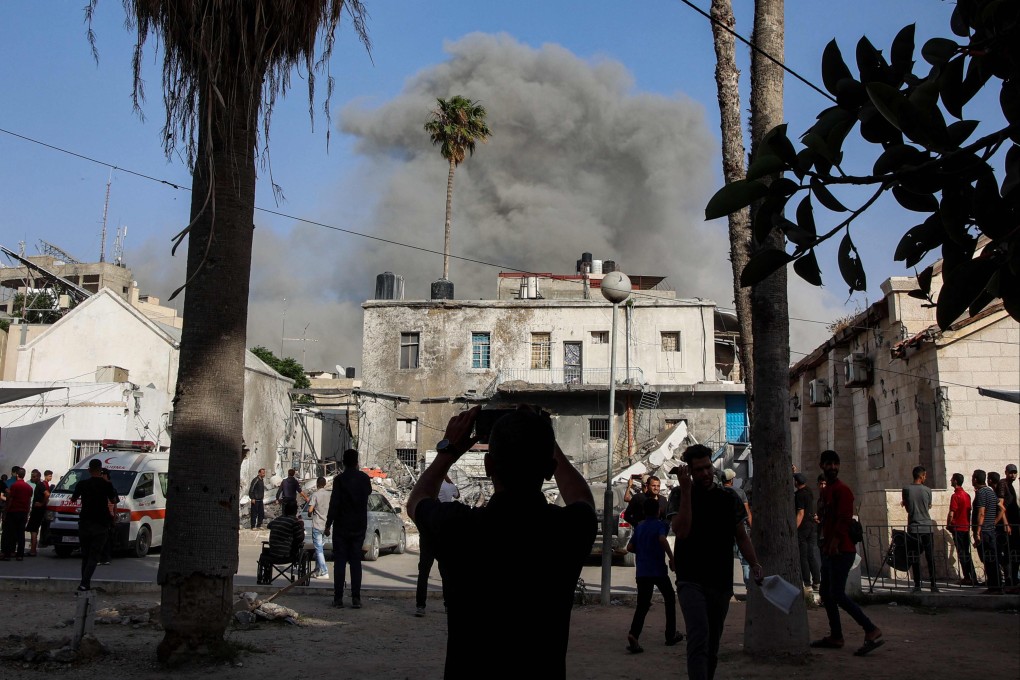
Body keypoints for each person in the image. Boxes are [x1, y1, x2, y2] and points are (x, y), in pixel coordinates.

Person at [408, 406, 596, 680]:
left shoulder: (459, 528)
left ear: (488, 466)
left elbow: (416, 502)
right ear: (549, 470)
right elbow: (583, 499)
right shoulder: (567, 530)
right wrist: (548, 441)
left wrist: (448, 451)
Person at [666, 445, 763, 680]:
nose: (706, 473)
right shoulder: (679, 495)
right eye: (698, 470)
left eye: (708, 467)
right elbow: (682, 531)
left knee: (712, 644)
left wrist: (756, 564)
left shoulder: (728, 497)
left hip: (720, 581)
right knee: (698, 637)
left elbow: (741, 536)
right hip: (690, 579)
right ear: (690, 471)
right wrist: (687, 491)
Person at [812, 450, 882, 655]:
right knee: (826, 592)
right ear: (822, 466)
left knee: (837, 594)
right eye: (828, 464)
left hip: (841, 550)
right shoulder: (826, 491)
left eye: (835, 464)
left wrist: (834, 542)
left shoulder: (843, 490)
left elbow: (844, 519)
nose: (832, 467)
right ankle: (836, 636)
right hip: (829, 550)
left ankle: (870, 629)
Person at [626, 496, 682, 653]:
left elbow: (630, 547)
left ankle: (634, 634)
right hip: (657, 571)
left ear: (644, 512)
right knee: (670, 598)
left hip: (642, 572)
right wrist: (672, 558)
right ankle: (670, 635)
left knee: (642, 605)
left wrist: (642, 549)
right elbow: (662, 539)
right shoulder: (660, 525)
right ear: (658, 511)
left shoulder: (640, 526)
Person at [325, 449, 371, 609]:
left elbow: (334, 503)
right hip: (358, 526)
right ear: (357, 461)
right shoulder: (364, 479)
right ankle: (356, 598)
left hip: (341, 526)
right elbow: (368, 493)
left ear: (343, 462)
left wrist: (328, 524)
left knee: (340, 562)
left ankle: (338, 598)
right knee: (356, 562)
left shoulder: (339, 480)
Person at [69, 459, 119, 590]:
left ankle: (84, 583)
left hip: (85, 522)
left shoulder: (82, 484)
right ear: (101, 469)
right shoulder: (107, 485)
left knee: (85, 555)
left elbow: (73, 499)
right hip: (101, 523)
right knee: (94, 555)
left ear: (89, 470)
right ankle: (84, 583)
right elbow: (113, 500)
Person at [416, 474, 459, 617]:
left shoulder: (426, 489)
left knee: (423, 572)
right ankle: (448, 605)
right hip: (443, 533)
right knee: (446, 573)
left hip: (427, 534)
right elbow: (458, 495)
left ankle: (420, 606)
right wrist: (448, 479)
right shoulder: (449, 487)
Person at [902, 465, 938, 593]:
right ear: (922, 476)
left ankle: (917, 585)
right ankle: (933, 584)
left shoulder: (906, 489)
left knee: (914, 556)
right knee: (930, 557)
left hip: (914, 527)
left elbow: (907, 508)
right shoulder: (928, 490)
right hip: (927, 527)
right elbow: (928, 506)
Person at [721, 468, 752, 591]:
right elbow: (747, 512)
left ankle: (725, 589)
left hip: (723, 531)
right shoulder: (740, 492)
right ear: (732, 480)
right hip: (740, 530)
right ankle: (749, 587)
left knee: (723, 560)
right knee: (745, 560)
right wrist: (751, 527)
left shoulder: (717, 492)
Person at [973, 469, 1003, 593]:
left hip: (984, 531)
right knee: (992, 559)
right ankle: (996, 585)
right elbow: (1002, 509)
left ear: (975, 479)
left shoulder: (981, 493)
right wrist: (994, 522)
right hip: (990, 530)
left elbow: (981, 513)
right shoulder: (990, 492)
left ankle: (994, 587)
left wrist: (977, 532)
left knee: (988, 559)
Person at [946, 472, 978, 586]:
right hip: (965, 527)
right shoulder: (967, 495)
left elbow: (951, 513)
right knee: (966, 553)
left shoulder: (956, 496)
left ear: (955, 481)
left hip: (958, 527)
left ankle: (967, 577)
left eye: (952, 479)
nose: (950, 481)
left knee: (962, 553)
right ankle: (972, 576)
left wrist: (948, 524)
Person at [260, 500, 305, 578]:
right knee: (300, 545)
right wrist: (301, 526)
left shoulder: (277, 520)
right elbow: (300, 538)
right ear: (295, 511)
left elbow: (269, 526)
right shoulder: (294, 522)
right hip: (286, 555)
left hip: (272, 553)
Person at [794, 472, 821, 591]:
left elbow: (800, 513)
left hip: (803, 528)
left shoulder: (799, 495)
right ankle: (817, 581)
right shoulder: (809, 491)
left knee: (803, 556)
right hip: (811, 526)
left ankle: (807, 583)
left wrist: (794, 529)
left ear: (796, 483)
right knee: (811, 555)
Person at [0, 468, 33, 561]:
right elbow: (29, 501)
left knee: (9, 533)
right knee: (21, 534)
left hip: (13, 511)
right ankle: (20, 555)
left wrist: (6, 511)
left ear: (17, 475)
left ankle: (7, 554)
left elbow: (10, 499)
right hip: (23, 512)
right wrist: (27, 512)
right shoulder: (28, 487)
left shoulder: (14, 486)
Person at [307, 476, 331, 580]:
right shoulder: (329, 495)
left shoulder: (315, 495)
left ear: (317, 484)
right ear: (325, 484)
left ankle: (324, 571)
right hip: (326, 526)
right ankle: (318, 571)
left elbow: (310, 510)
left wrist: (309, 513)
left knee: (319, 550)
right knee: (319, 549)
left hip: (317, 525)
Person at [1001, 464, 1020, 592]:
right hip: (1009, 527)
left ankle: (1013, 579)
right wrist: (1006, 523)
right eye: (1010, 472)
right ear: (1006, 472)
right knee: (1009, 554)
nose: (1013, 475)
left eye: (1015, 472)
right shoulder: (1003, 484)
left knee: (1015, 554)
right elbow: (1001, 505)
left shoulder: (1011, 486)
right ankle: (1010, 579)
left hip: (1015, 525)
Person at [26, 469, 50, 557]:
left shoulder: (40, 485)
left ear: (39, 477)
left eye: (34, 477)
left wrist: (41, 504)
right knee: (33, 530)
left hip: (38, 511)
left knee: (33, 530)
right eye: (32, 476)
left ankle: (33, 550)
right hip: (36, 511)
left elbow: (47, 494)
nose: (32, 478)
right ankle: (33, 549)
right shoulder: (38, 485)